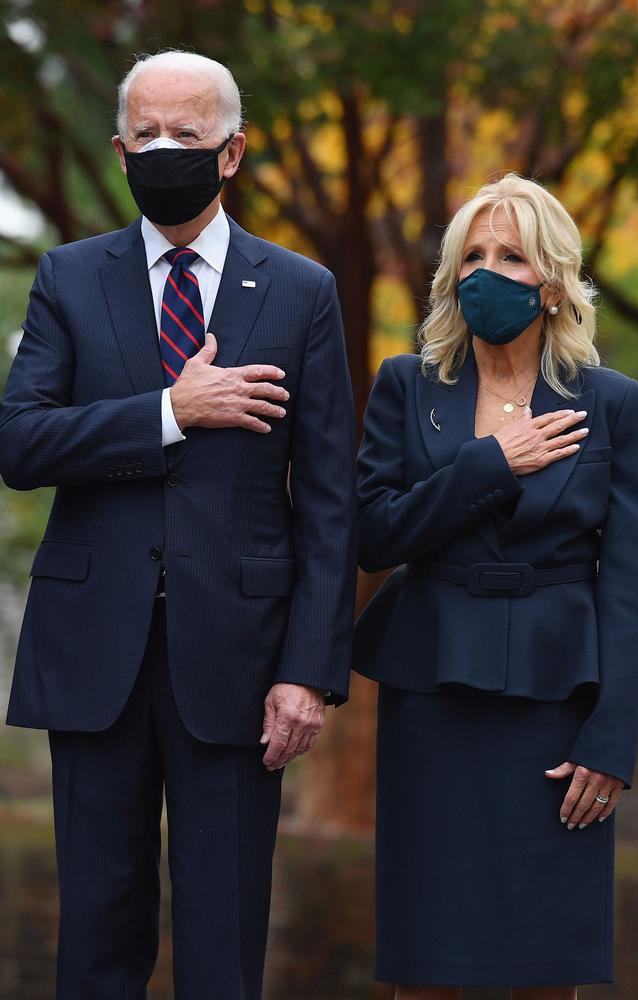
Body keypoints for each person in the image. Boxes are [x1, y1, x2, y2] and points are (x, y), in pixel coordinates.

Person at [0, 50, 357, 1000]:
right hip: (93, 653)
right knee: (97, 941)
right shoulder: (70, 278)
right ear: (119, 150)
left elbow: (328, 499)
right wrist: (170, 410)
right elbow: (22, 443)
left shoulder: (301, 291)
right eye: (145, 135)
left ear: (232, 151)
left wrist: (308, 670)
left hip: (240, 660)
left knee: (223, 941)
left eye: (186, 135)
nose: (164, 150)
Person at [353, 173, 638, 1000]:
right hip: (432, 692)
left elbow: (630, 585)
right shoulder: (407, 386)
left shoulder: (613, 404)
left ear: (551, 284)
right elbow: (372, 534)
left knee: (546, 961)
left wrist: (613, 740)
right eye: (471, 256)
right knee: (431, 959)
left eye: (510, 256)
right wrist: (492, 465)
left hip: (559, 707)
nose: (486, 273)